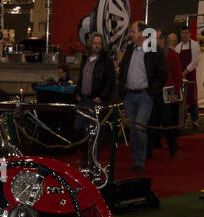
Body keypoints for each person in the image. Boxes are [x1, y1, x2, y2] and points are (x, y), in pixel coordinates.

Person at [118, 21, 165, 172]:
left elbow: (162, 74)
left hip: (145, 96)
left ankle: (140, 160)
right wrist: (122, 90)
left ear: (142, 33)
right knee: (133, 128)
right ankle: (136, 160)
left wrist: (151, 91)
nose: (130, 34)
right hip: (130, 96)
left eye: (133, 31)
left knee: (139, 127)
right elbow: (124, 69)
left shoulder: (155, 51)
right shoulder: (130, 50)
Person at [76, 31, 114, 157]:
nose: (97, 45)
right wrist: (77, 91)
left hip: (97, 100)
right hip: (83, 100)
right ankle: (85, 152)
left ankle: (92, 157)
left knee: (96, 131)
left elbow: (110, 80)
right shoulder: (85, 59)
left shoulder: (107, 61)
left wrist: (102, 96)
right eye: (95, 43)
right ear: (90, 44)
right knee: (78, 126)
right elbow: (81, 77)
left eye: (99, 43)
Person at [163, 32, 182, 157]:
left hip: (170, 90)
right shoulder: (159, 53)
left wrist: (176, 91)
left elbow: (177, 74)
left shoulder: (173, 54)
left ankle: (172, 144)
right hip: (162, 89)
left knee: (169, 119)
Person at [176, 28, 199, 125]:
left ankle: (195, 120)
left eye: (186, 33)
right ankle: (182, 120)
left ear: (189, 34)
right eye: (183, 33)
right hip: (180, 77)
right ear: (180, 34)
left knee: (192, 97)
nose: (184, 35)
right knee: (181, 99)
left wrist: (185, 71)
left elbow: (195, 61)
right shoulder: (178, 47)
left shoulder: (194, 45)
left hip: (190, 75)